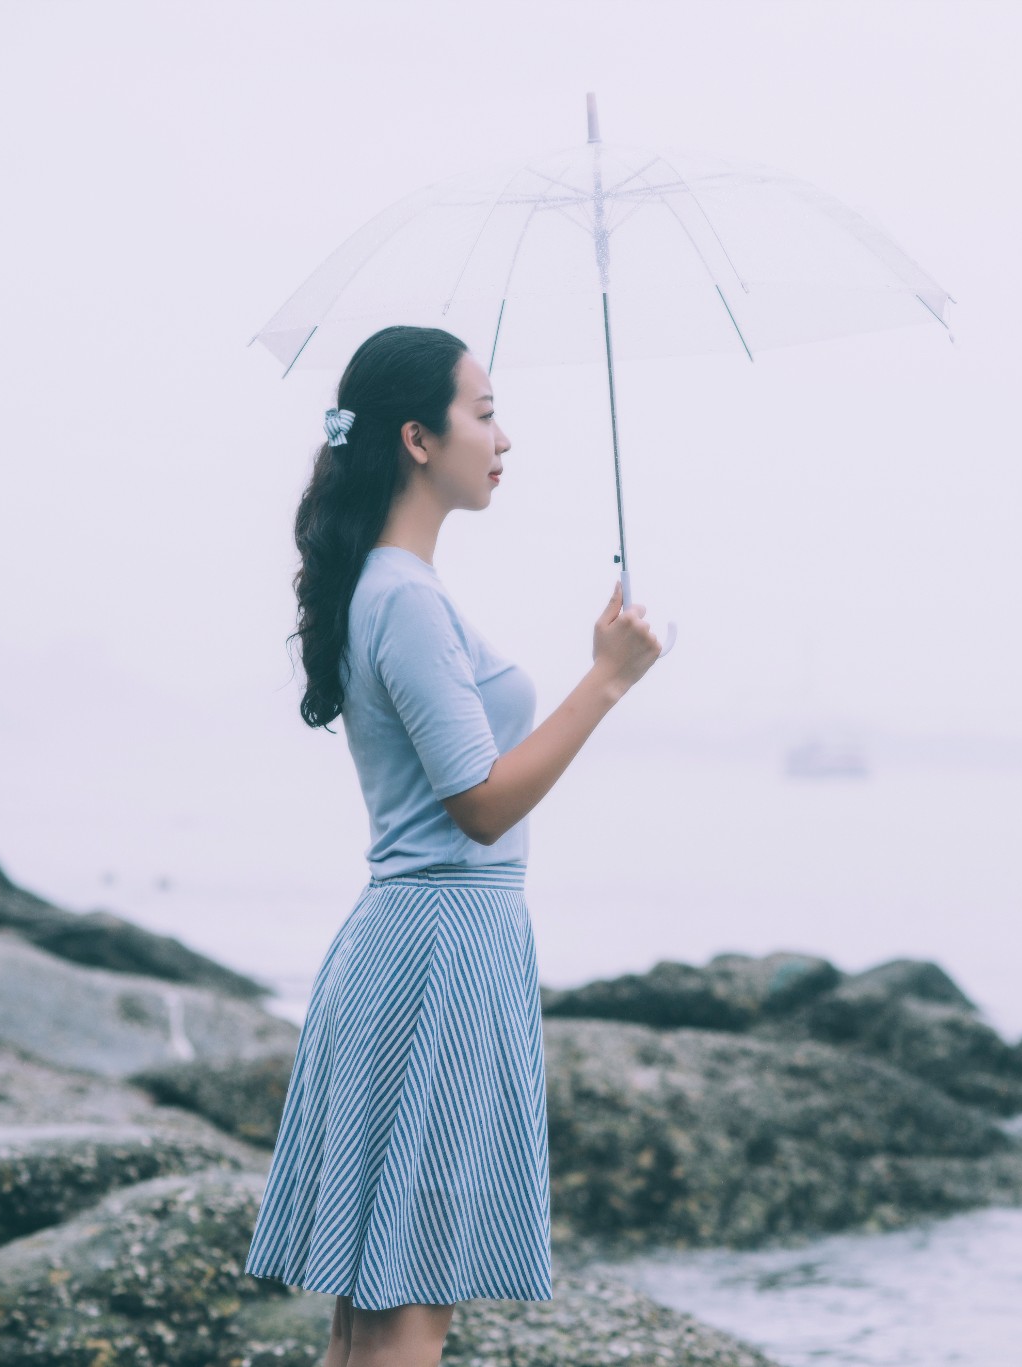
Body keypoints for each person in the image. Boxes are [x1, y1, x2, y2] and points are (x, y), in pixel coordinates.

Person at [243, 324, 664, 1367]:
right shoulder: (406, 601)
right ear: (417, 438)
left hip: (419, 942)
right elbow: (478, 801)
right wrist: (604, 679)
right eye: (484, 413)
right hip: (437, 951)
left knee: (372, 1310)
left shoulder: (386, 592)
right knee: (408, 1302)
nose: (503, 437)